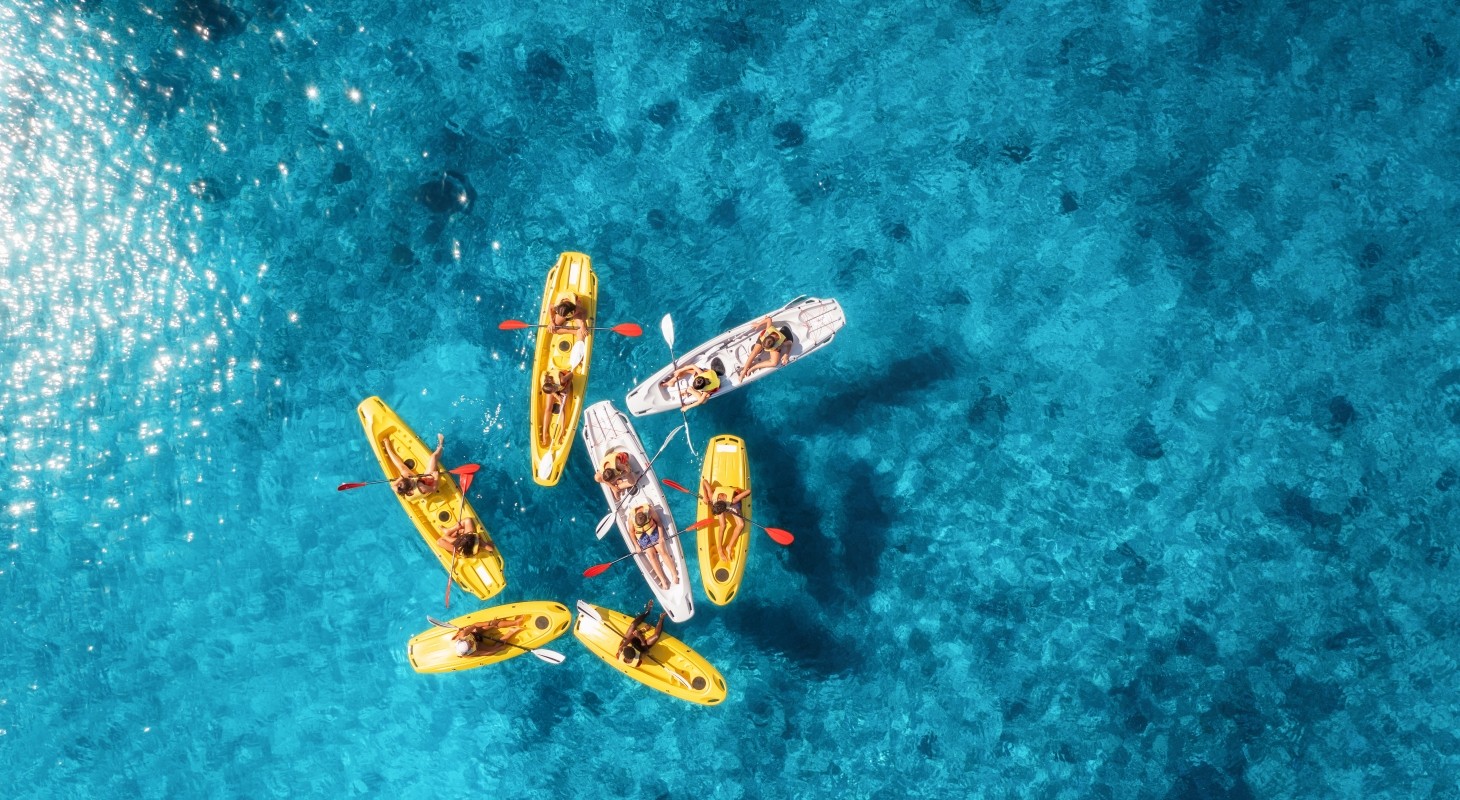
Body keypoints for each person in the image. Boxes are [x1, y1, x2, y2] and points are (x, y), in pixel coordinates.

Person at [700, 478, 751, 563]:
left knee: (741, 525)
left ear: (725, 510)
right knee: (723, 525)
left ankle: (729, 547)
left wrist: (742, 494)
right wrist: (705, 496)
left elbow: (748, 491)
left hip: (732, 504)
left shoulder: (733, 500)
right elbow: (704, 481)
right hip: (722, 503)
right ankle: (719, 549)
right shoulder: (712, 497)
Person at [629, 503, 677, 589]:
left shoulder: (650, 511)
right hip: (642, 536)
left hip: (652, 531)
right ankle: (663, 580)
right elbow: (632, 532)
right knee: (651, 556)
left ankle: (674, 574)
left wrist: (661, 537)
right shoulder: (631, 518)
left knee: (662, 551)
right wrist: (636, 546)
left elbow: (658, 522)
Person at [383, 433, 442, 498]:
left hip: (414, 483)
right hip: (425, 484)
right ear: (410, 488)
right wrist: (436, 477)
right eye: (410, 479)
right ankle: (441, 444)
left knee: (403, 470)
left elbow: (392, 486)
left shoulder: (399, 489)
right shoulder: (421, 487)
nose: (410, 477)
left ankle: (388, 448)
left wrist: (402, 476)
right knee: (433, 457)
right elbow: (433, 489)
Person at [616, 600, 666, 668]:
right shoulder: (639, 658)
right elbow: (646, 650)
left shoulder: (621, 649)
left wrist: (641, 631)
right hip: (642, 647)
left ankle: (647, 611)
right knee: (656, 636)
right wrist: (639, 636)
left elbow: (629, 638)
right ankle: (661, 618)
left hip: (632, 640)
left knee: (633, 625)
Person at [452, 614, 529, 658]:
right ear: (468, 649)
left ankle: (515, 622)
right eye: (470, 645)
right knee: (496, 648)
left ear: (463, 640)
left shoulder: (463, 635)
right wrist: (498, 650)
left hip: (473, 634)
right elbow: (485, 653)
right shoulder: (469, 653)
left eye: (468, 642)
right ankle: (512, 631)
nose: (470, 642)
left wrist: (489, 623)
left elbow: (475, 625)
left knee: (493, 624)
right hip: (478, 646)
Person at [538, 368, 573, 447]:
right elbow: (552, 392)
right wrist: (557, 396)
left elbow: (571, 374)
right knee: (548, 408)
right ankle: (544, 434)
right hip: (553, 388)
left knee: (562, 407)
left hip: (562, 385)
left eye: (554, 389)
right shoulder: (545, 385)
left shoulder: (562, 380)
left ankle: (562, 431)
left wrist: (567, 387)